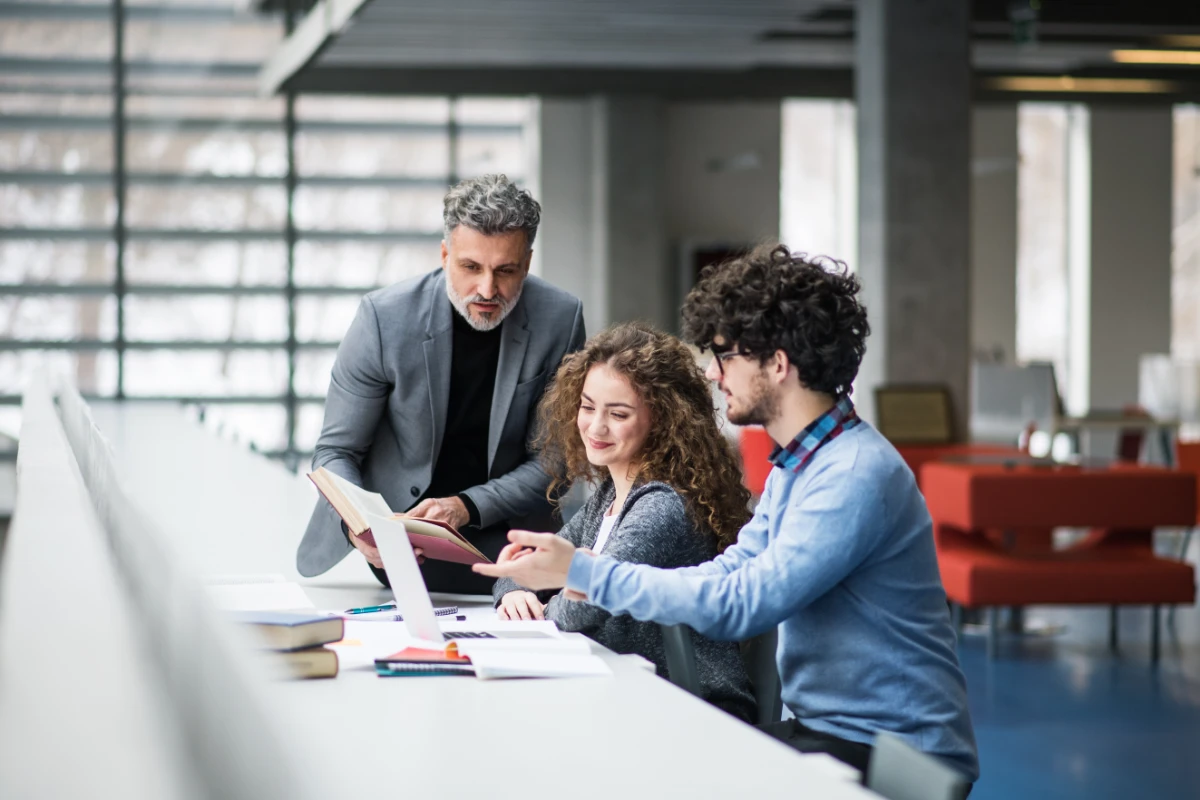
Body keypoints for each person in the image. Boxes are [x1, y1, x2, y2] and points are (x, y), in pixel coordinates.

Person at [475, 244, 980, 784]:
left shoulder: (853, 474)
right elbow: (731, 570)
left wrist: (582, 572)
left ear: (777, 364)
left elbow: (743, 604)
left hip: (890, 751)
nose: (715, 375)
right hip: (829, 731)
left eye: (726, 356)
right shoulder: (798, 464)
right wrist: (578, 572)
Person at [298, 174, 586, 594]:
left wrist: (465, 507)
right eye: (471, 267)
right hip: (403, 539)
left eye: (506, 271)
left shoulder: (560, 319)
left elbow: (555, 459)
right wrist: (358, 524)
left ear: (527, 262)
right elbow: (336, 452)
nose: (487, 289)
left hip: (510, 536)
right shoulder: (383, 319)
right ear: (445, 253)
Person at [493, 323, 757, 721]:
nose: (596, 427)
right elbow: (517, 570)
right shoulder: (608, 497)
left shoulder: (662, 505)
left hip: (693, 710)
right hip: (629, 695)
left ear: (664, 420)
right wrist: (515, 593)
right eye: (587, 406)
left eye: (618, 413)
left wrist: (557, 593)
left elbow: (583, 610)